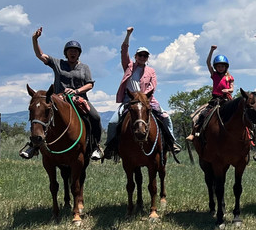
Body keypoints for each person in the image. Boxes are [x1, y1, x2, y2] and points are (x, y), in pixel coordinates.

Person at [20, 27, 103, 161]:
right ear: (66, 53)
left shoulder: (84, 67)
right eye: (70, 51)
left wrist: (76, 91)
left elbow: (90, 84)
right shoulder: (58, 63)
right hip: (59, 99)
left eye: (75, 51)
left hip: (79, 99)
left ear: (79, 53)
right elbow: (40, 55)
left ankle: (95, 146)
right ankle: (34, 145)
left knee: (95, 117)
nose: (73, 53)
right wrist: (34, 39)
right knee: (41, 114)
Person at [103, 27, 181, 158]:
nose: (143, 57)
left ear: (147, 58)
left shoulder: (151, 71)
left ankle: (171, 143)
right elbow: (123, 50)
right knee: (112, 122)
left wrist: (143, 97)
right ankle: (110, 147)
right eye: (140, 55)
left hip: (147, 100)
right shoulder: (129, 66)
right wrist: (128, 34)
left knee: (166, 118)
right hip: (129, 100)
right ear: (136, 56)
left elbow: (153, 85)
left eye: (145, 55)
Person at [186, 45, 235, 142]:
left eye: (222, 66)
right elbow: (208, 63)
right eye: (218, 66)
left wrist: (227, 90)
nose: (220, 68)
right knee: (203, 114)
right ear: (216, 67)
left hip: (227, 99)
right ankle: (194, 133)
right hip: (215, 99)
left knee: (239, 112)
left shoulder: (229, 77)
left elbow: (232, 88)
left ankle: (248, 133)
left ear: (226, 67)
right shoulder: (214, 75)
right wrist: (211, 51)